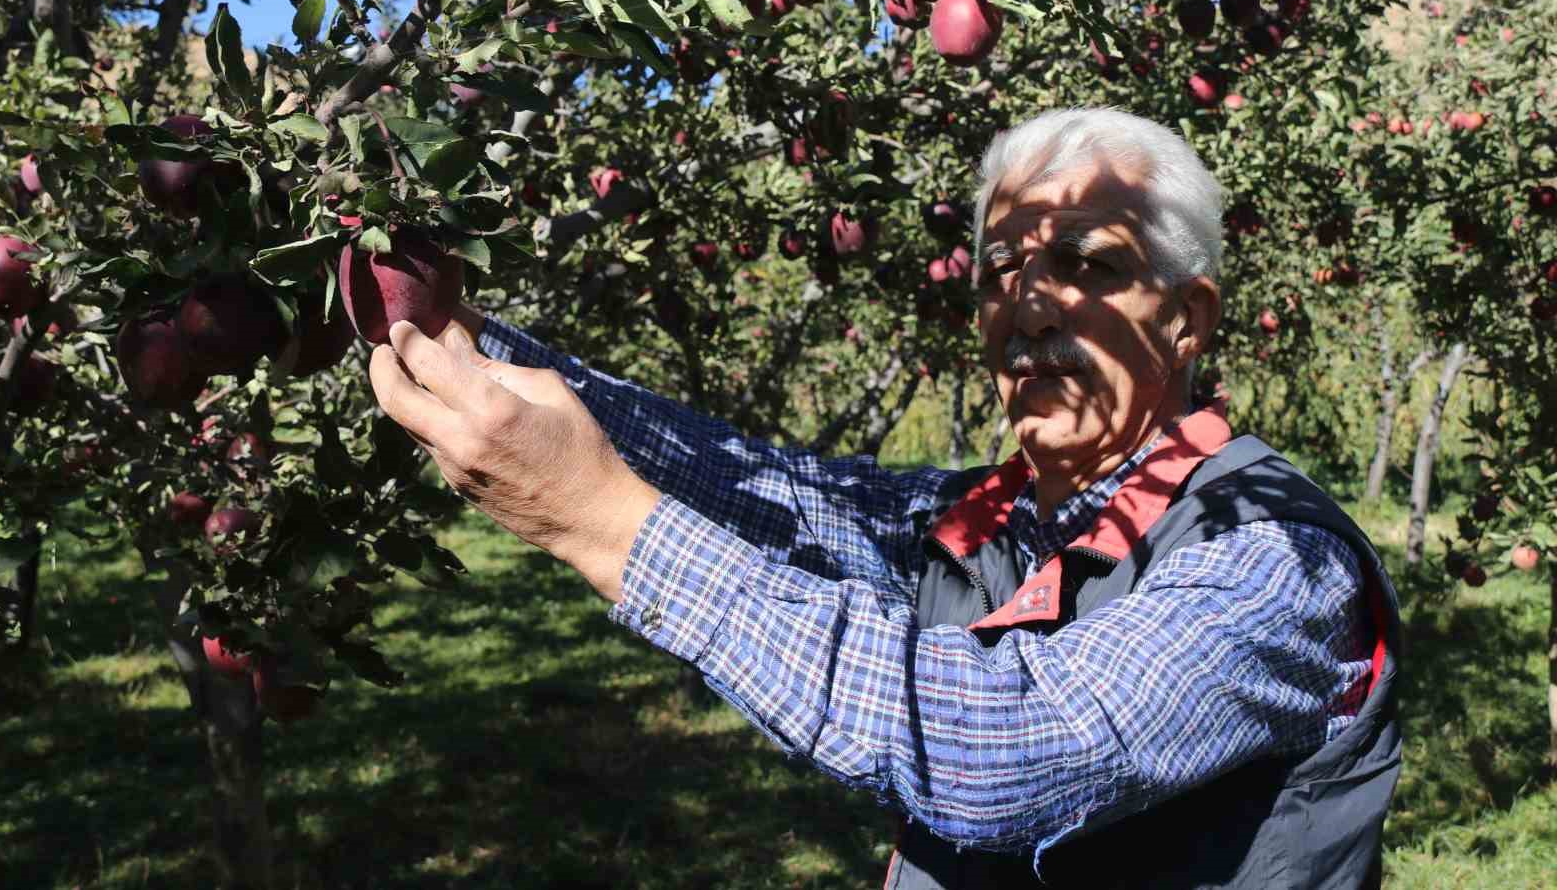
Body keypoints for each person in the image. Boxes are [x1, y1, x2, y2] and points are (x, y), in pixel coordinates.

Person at [368, 108, 1401, 889]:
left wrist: (599, 519)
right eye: (999, 270)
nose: (1027, 303)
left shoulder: (1272, 555)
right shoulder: (983, 521)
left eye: (1085, 264)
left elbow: (1005, 752)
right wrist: (438, 330)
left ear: (1185, 319)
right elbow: (733, 477)